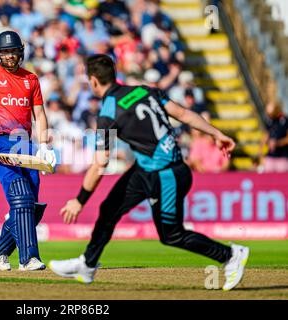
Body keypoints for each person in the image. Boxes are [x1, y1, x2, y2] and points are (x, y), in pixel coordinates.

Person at [49, 54, 249, 291]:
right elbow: (184, 114)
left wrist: (79, 200)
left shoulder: (107, 114)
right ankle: (88, 264)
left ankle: (230, 254)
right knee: (109, 208)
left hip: (167, 174)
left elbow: (100, 163)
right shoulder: (145, 91)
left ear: (93, 81)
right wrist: (217, 134)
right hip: (147, 169)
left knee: (171, 235)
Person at [0, 30, 56, 271]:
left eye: (13, 52)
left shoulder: (31, 79)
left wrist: (45, 146)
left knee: (32, 207)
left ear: (21, 53)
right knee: (21, 195)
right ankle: (29, 259)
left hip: (25, 143)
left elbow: (39, 115)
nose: (9, 57)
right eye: (5, 53)